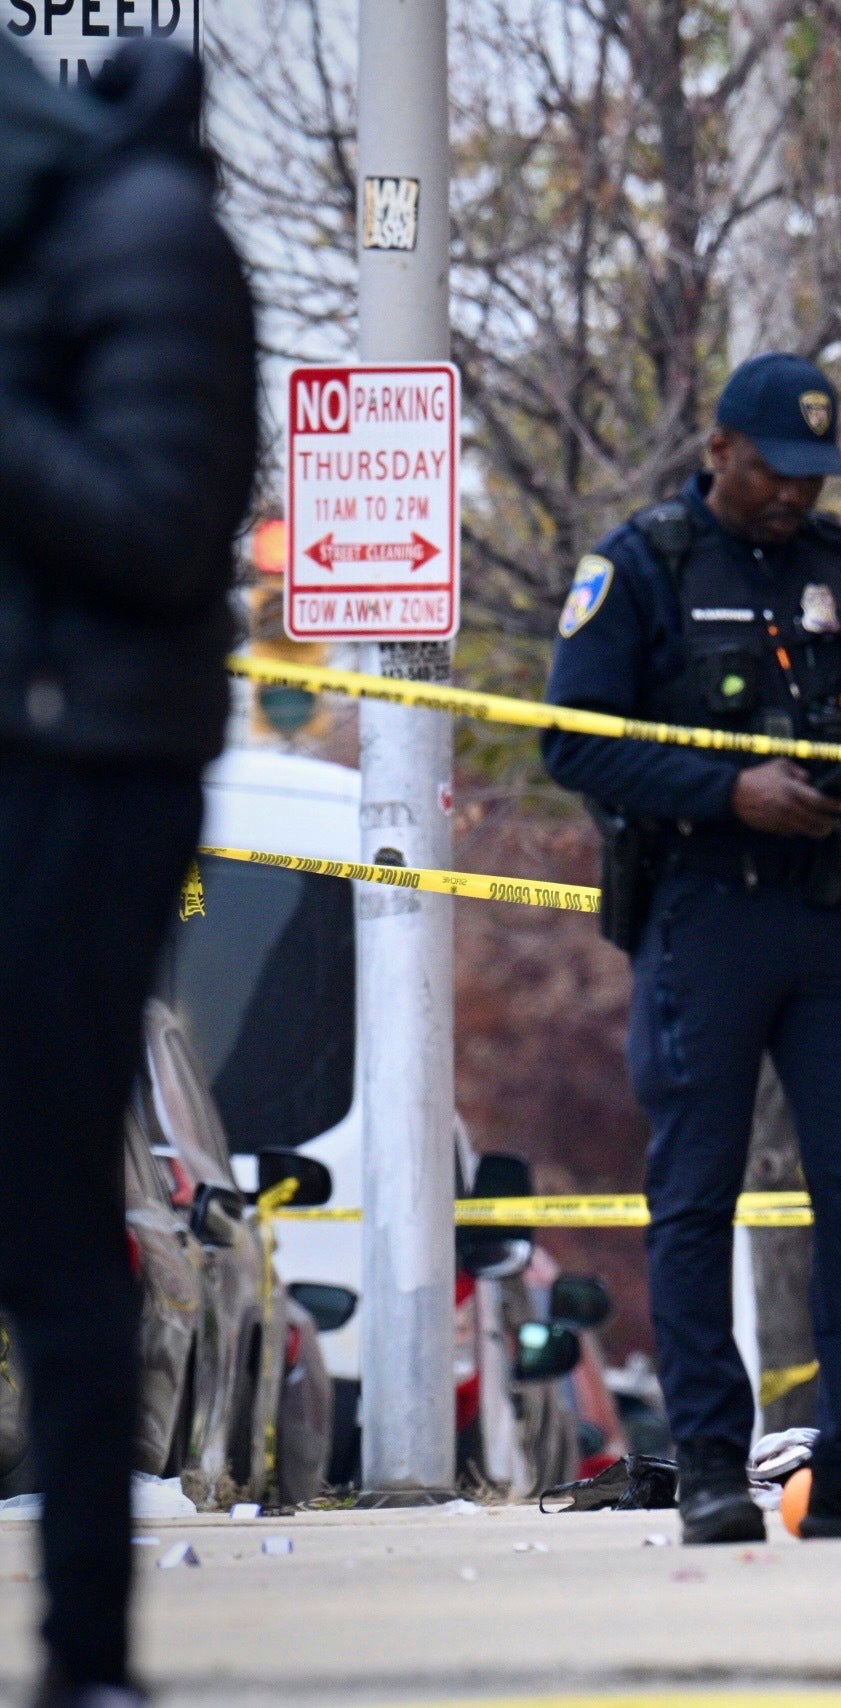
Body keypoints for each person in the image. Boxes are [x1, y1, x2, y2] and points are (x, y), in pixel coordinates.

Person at [543, 351, 841, 1543]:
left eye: (816, 477)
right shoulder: (640, 567)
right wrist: (725, 790)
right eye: (779, 471)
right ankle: (715, 1466)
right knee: (695, 1193)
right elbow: (572, 742)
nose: (798, 496)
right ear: (721, 448)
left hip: (831, 916)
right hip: (703, 910)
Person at [0, 38, 258, 1708]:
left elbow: (166, 520)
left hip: (80, 776)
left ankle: (87, 1649)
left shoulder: (149, 230)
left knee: (43, 1207)